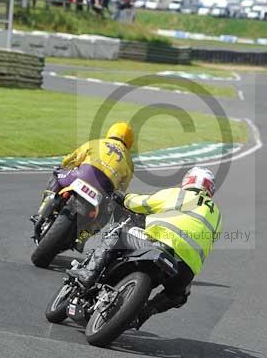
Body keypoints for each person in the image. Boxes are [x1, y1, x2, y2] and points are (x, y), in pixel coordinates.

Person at [68, 167, 222, 330]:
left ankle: (88, 274)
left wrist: (124, 198)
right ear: (210, 189)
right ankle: (143, 313)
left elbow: (142, 203)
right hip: (185, 269)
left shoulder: (177, 194)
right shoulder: (217, 215)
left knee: (118, 234)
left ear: (188, 180)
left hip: (158, 245)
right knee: (178, 296)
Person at [33, 122, 136, 235]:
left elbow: (73, 158)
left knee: (57, 174)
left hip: (83, 175)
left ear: (110, 132)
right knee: (107, 213)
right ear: (130, 142)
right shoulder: (129, 163)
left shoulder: (96, 142)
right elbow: (122, 188)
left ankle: (42, 211)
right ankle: (84, 236)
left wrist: (64, 166)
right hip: (105, 188)